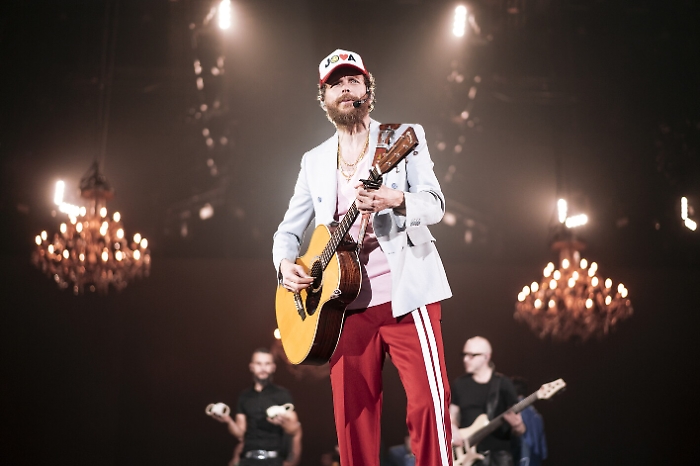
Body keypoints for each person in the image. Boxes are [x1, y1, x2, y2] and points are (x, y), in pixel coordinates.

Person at [272, 48, 453, 466]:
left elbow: (435, 204)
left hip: (407, 295)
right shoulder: (314, 161)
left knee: (428, 406)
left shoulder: (402, 136)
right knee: (352, 420)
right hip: (342, 307)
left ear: (367, 90)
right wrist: (285, 265)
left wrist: (395, 199)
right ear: (324, 98)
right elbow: (288, 232)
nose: (346, 88)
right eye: (336, 83)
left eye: (353, 80)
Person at [212, 348, 302, 466]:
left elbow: (294, 429)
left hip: (274, 460)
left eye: (267, 364)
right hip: (248, 459)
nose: (263, 368)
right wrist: (228, 420)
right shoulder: (244, 396)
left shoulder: (282, 394)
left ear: (273, 367)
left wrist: (282, 421)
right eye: (259, 364)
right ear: (251, 367)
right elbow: (240, 433)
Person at [449, 337, 525, 466]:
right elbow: (452, 417)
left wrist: (517, 425)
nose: (465, 359)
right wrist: (452, 429)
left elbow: (520, 429)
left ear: (486, 357)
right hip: (467, 458)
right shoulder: (459, 384)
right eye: (464, 355)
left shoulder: (504, 384)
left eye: (471, 355)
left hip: (497, 459)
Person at [509, 377, 547, 466]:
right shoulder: (537, 416)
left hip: (520, 460)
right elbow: (543, 452)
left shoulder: (513, 413)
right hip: (535, 461)